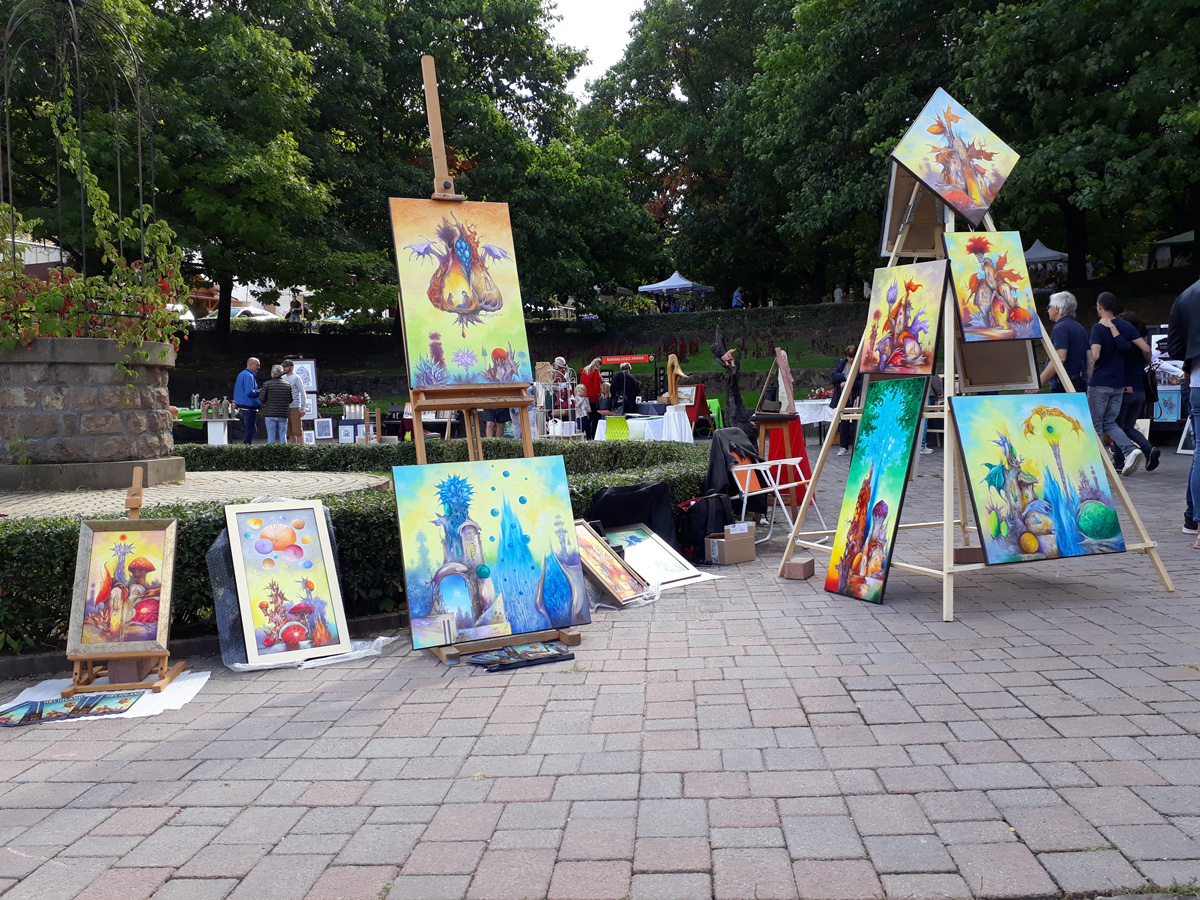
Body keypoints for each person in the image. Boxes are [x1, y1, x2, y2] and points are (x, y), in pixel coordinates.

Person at [1087, 292, 1147, 475]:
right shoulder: (1126, 326)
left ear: (1099, 307)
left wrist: (1088, 361)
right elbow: (1146, 348)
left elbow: (1095, 355)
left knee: (1096, 425)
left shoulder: (1098, 328)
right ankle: (1130, 450)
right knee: (1110, 422)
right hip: (1119, 383)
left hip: (1100, 382)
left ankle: (1098, 467)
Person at [1166, 274, 1200, 539]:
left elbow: (1175, 348)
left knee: (1199, 451)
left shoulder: (1186, 296)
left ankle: (1194, 519)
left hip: (1196, 380)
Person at [1109, 313, 1158, 473]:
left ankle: (1119, 462)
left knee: (1117, 426)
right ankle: (1149, 449)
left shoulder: (1124, 346)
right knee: (1128, 427)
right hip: (1140, 391)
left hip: (1125, 391)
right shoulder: (1141, 347)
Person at [1035, 291, 1089, 392]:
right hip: (1080, 381)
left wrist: (1039, 382)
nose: (1048, 310)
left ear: (1057, 309)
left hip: (1065, 384)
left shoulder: (1060, 328)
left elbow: (1060, 358)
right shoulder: (1079, 327)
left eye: (1049, 307)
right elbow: (1089, 357)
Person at [831, 345, 863, 456]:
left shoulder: (861, 365)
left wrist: (849, 383)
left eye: (853, 356)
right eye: (850, 357)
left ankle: (857, 446)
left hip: (856, 397)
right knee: (843, 422)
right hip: (843, 397)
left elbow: (862, 382)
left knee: (856, 422)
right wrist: (845, 376)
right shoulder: (842, 363)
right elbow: (834, 376)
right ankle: (843, 447)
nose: (852, 359)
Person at [259, 364, 293, 444]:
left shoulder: (267, 384)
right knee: (283, 435)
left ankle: (271, 451)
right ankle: (284, 450)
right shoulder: (288, 385)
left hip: (270, 413)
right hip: (283, 413)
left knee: (271, 436)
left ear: (273, 373)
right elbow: (291, 399)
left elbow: (262, 398)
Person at [233, 357, 261, 444]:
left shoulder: (241, 374)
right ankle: (246, 447)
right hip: (249, 406)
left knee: (249, 429)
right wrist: (261, 391)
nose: (259, 367)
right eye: (257, 365)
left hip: (241, 406)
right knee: (250, 430)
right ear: (250, 365)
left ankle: (245, 445)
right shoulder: (249, 376)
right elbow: (249, 392)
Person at [281, 359, 305, 445]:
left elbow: (302, 392)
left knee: (297, 430)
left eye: (286, 366)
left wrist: (302, 407)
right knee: (289, 431)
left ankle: (301, 447)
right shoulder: (282, 378)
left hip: (295, 406)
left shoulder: (296, 378)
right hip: (286, 406)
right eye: (283, 367)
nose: (284, 368)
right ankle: (293, 447)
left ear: (291, 367)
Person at [580, 357, 602, 440]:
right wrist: (599, 395)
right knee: (595, 418)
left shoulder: (585, 371)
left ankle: (588, 436)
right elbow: (597, 386)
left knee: (587, 418)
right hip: (593, 398)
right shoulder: (595, 372)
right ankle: (594, 436)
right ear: (599, 364)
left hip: (585, 397)